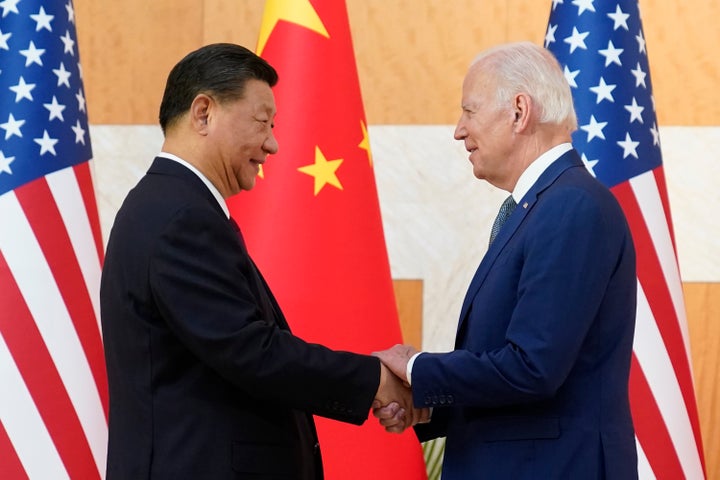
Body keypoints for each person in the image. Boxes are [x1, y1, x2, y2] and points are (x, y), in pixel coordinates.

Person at [100, 43, 414, 480]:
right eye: (262, 122)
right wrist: (374, 380)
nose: (273, 143)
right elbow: (251, 351)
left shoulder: (171, 205)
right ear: (204, 112)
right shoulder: (180, 216)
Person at [374, 41, 638, 479]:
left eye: (469, 111)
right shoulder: (543, 205)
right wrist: (430, 403)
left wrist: (419, 369)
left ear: (519, 112)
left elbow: (533, 368)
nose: (459, 130)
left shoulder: (571, 206)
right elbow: (519, 369)